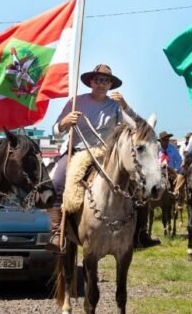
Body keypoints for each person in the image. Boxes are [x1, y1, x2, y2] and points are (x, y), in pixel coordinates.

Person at [49, 64, 160, 249]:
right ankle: (56, 233)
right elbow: (55, 131)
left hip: (107, 154)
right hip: (77, 150)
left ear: (110, 84)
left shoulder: (116, 105)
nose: (101, 84)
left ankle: (140, 233)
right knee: (57, 181)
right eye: (97, 80)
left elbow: (140, 127)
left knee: (139, 183)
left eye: (105, 81)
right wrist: (64, 123)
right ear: (91, 82)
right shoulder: (76, 101)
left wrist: (126, 106)